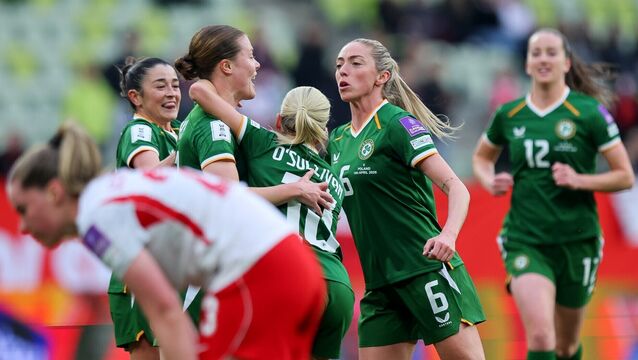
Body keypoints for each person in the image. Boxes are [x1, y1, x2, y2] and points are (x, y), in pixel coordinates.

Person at [7, 123, 326, 360]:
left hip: (259, 270)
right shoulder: (111, 192)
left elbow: (166, 313)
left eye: (23, 209)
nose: (21, 226)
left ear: (54, 192)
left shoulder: (96, 215)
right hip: (293, 265)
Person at [472, 28, 635, 360]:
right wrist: (489, 181)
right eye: (536, 53)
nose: (543, 59)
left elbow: (624, 176)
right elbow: (481, 157)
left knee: (567, 345)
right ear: (528, 64)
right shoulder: (510, 114)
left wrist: (580, 180)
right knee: (542, 337)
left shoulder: (589, 113)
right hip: (526, 238)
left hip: (578, 240)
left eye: (551, 52)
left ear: (566, 62)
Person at [328, 38, 486, 359]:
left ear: (381, 77)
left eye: (356, 63)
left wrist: (449, 235)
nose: (344, 71)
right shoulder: (338, 139)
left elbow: (457, 187)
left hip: (424, 270)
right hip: (380, 284)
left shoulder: (398, 124)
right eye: (339, 64)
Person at [189, 82, 354, 360]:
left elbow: (198, 92)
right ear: (324, 128)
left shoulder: (262, 140)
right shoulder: (333, 178)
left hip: (290, 277)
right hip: (338, 286)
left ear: (279, 120)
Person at [174, 25, 332, 214]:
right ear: (227, 66)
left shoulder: (209, 119)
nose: (257, 64)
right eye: (250, 56)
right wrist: (295, 189)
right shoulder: (214, 127)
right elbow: (229, 197)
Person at [112, 56, 201, 359]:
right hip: (142, 268)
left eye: (176, 85)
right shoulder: (139, 131)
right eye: (161, 86)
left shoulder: (176, 131)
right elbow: (152, 179)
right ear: (136, 97)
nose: (172, 93)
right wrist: (193, 150)